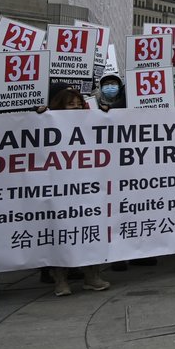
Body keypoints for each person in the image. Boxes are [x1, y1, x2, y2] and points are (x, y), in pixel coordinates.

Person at [43, 87, 111, 295]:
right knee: (60, 233)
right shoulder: (47, 122)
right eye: (70, 104)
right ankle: (61, 281)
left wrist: (106, 114)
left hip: (87, 188)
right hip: (60, 190)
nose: (75, 107)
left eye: (78, 104)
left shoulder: (90, 123)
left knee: (91, 229)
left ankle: (92, 276)